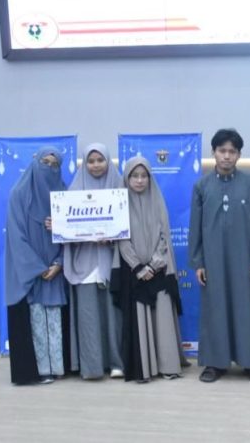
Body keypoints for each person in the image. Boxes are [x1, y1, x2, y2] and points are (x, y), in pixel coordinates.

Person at [189, 129, 250, 382]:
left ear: (239, 155)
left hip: (243, 260)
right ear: (213, 152)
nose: (226, 156)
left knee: (245, 309)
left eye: (232, 151)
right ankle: (215, 364)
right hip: (212, 260)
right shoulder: (202, 186)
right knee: (215, 308)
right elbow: (195, 228)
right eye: (222, 151)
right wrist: (199, 262)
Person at [111, 157, 185, 383]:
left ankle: (168, 366)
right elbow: (121, 239)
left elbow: (164, 236)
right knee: (139, 317)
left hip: (159, 270)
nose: (140, 180)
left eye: (144, 176)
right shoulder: (120, 204)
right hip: (134, 272)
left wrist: (154, 264)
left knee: (162, 317)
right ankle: (145, 368)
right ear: (127, 178)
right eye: (134, 176)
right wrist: (138, 266)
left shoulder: (158, 202)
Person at [5, 147, 67, 385]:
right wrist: (39, 268)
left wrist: (59, 263)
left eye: (55, 164)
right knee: (36, 320)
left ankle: (57, 367)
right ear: (35, 163)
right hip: (31, 274)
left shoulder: (63, 194)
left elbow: (74, 234)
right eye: (45, 162)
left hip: (56, 271)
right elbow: (16, 237)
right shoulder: (19, 195)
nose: (49, 168)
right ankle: (41, 369)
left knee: (55, 320)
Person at [63, 143, 125, 380]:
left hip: (112, 262)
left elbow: (128, 225)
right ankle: (92, 366)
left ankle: (117, 363)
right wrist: (59, 225)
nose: (96, 165)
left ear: (108, 161)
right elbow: (66, 226)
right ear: (84, 163)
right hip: (84, 264)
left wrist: (113, 238)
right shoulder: (74, 191)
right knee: (88, 317)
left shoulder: (119, 188)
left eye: (100, 160)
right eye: (91, 161)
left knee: (113, 316)